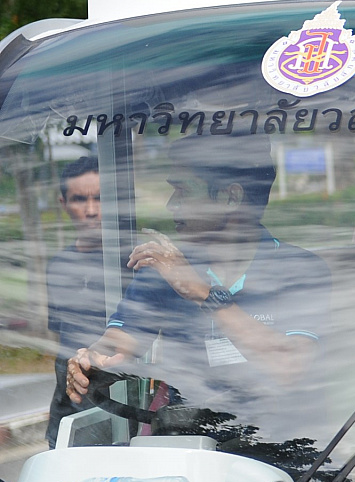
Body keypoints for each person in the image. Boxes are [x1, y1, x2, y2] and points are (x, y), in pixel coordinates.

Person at [65, 140, 331, 446]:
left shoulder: (299, 269)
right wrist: (91, 359)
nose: (171, 204)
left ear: (231, 197)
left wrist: (204, 294)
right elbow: (119, 343)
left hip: (283, 451)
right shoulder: (165, 271)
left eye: (182, 191)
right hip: (190, 449)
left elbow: (289, 367)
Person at [45, 157, 108, 446]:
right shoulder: (58, 266)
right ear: (64, 203)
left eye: (100, 198)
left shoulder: (134, 263)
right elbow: (62, 342)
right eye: (80, 199)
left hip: (123, 411)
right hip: (68, 415)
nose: (91, 210)